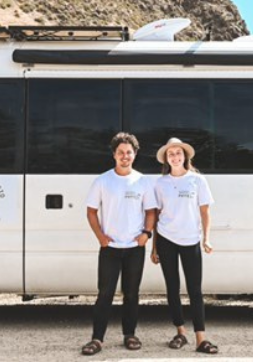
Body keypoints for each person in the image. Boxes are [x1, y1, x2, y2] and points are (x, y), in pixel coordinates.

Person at [81, 132, 157, 356]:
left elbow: (151, 211)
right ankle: (97, 339)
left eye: (129, 152)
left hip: (135, 248)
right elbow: (91, 211)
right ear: (114, 154)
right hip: (110, 249)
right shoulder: (103, 180)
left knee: (132, 293)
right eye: (121, 152)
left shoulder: (142, 180)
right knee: (105, 294)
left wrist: (146, 234)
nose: (125, 156)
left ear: (135, 155)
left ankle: (130, 335)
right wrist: (100, 237)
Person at [151, 137, 219, 354]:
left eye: (178, 153)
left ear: (185, 156)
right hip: (166, 239)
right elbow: (156, 215)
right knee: (172, 288)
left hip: (190, 240)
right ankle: (180, 332)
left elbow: (205, 212)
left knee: (195, 290)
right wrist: (154, 247)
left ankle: (201, 338)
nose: (175, 157)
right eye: (171, 154)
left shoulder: (197, 181)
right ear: (166, 159)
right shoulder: (160, 184)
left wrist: (206, 238)